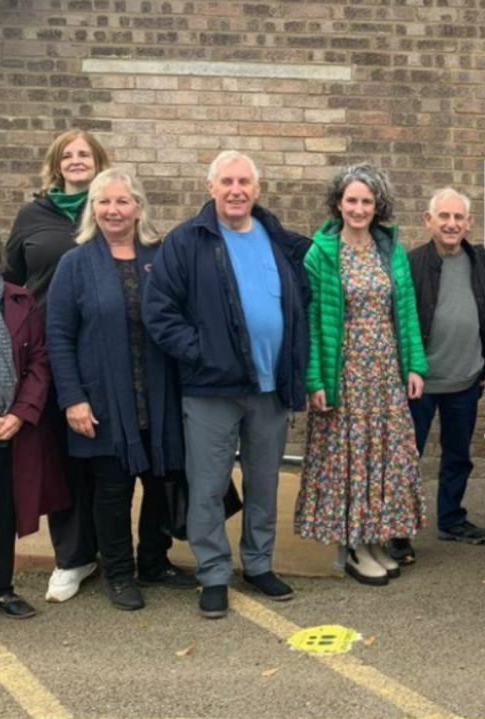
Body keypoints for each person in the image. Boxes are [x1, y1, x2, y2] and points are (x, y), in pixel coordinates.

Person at [142, 151, 309, 619]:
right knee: (208, 486)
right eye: (227, 182)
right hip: (210, 389)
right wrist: (202, 353)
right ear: (211, 187)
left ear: (257, 190)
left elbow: (303, 301)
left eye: (244, 182)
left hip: (269, 388)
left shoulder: (277, 239)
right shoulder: (186, 241)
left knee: (264, 483)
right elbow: (159, 311)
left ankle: (258, 565)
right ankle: (213, 573)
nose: (236, 190)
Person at [48, 169, 199, 612]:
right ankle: (118, 572)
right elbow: (58, 336)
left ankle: (154, 561)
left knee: (160, 485)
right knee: (111, 493)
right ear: (93, 209)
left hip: (159, 398)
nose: (113, 210)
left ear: (138, 206)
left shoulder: (162, 254)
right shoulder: (75, 264)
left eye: (122, 201)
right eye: (103, 202)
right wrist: (72, 398)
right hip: (104, 402)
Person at [296, 164, 427, 586]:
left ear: (377, 206)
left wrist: (414, 366)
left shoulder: (390, 250)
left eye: (366, 201)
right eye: (351, 200)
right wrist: (314, 380)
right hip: (345, 374)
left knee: (382, 459)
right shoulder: (321, 254)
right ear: (338, 204)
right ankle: (352, 547)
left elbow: (405, 312)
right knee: (350, 459)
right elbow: (313, 322)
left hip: (386, 372)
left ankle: (372, 539)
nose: (358, 208)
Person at [6, 128, 111, 603]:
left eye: (84, 154)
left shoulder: (112, 208)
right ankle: (72, 556)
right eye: (67, 154)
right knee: (60, 460)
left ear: (98, 161)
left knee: (103, 457)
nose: (75, 160)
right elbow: (9, 278)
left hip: (103, 353)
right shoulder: (33, 215)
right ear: (56, 163)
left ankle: (114, 552)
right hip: (46, 354)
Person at [0, 213, 65, 629]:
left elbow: (40, 361)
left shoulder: (20, 299)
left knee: (1, 515)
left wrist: (20, 415)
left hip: (12, 433)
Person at [407, 188, 485, 547]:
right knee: (407, 458)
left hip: (466, 380)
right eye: (444, 217)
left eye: (458, 218)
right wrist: (407, 367)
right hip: (418, 384)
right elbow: (400, 321)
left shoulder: (484, 262)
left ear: (469, 222)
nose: (452, 224)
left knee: (457, 456)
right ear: (428, 220)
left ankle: (451, 519)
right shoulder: (411, 262)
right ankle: (399, 530)